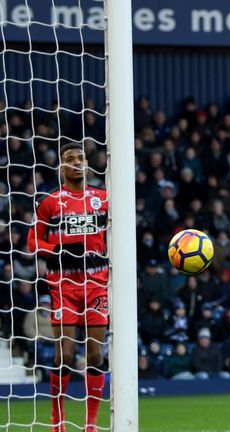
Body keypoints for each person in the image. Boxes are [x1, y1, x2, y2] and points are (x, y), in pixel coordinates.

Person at [27, 143, 109, 432]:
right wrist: (55, 247)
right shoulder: (50, 202)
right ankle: (57, 420)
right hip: (63, 284)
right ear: (61, 167)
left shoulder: (103, 199)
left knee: (96, 354)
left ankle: (91, 424)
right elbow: (32, 241)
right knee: (66, 351)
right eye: (69, 159)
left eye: (80, 158)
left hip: (97, 283)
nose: (76, 162)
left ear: (87, 164)